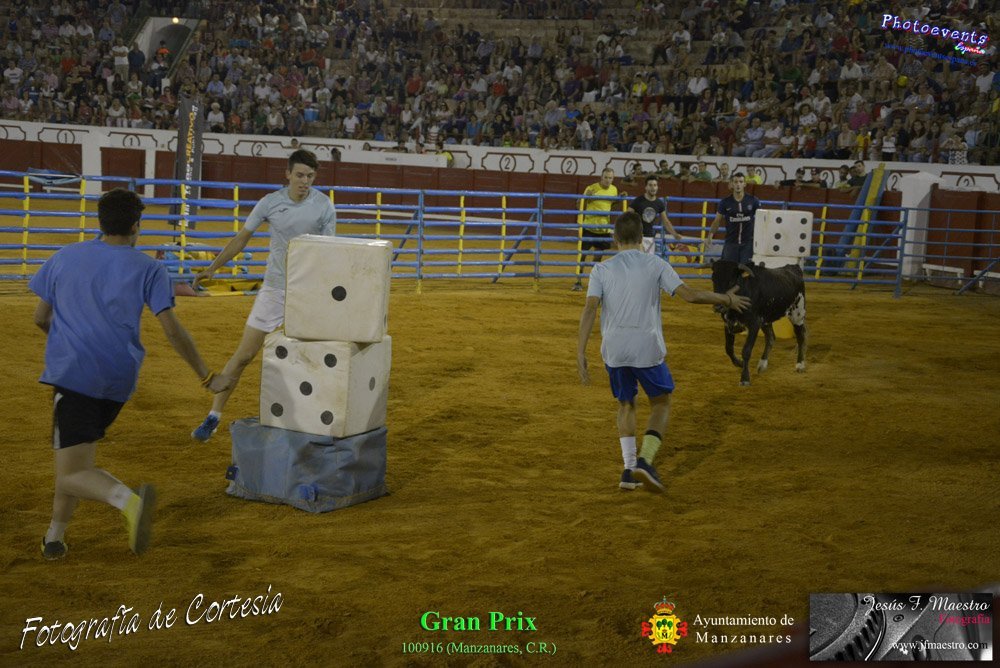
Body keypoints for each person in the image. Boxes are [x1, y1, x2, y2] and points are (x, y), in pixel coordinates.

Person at [29, 189, 231, 559]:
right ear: (136, 226)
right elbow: (173, 330)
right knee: (75, 460)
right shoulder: (149, 268)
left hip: (75, 375)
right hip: (118, 380)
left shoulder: (65, 257)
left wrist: (66, 340)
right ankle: (54, 537)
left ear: (100, 221)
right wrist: (206, 376)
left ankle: (129, 501)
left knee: (71, 472)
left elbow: (41, 317)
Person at [577, 211, 750, 493]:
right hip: (646, 347)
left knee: (626, 404)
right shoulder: (656, 264)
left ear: (615, 238)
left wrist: (580, 352)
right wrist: (727, 298)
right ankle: (645, 461)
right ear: (641, 238)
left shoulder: (601, 270)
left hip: (614, 349)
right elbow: (690, 295)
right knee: (661, 403)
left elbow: (589, 309)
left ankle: (628, 470)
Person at [190, 149, 337, 441]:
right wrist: (213, 267)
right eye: (299, 175)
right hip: (274, 289)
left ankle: (318, 420)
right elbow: (241, 238)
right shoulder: (270, 203)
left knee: (313, 358)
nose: (304, 181)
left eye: (310, 176)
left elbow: (328, 251)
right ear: (288, 174)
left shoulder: (324, 206)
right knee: (244, 355)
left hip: (308, 293)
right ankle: (213, 416)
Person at [573, 167, 621, 291]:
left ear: (613, 179)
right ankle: (578, 281)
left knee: (598, 257)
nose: (608, 180)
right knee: (582, 255)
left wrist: (619, 199)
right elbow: (578, 205)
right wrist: (586, 198)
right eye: (606, 177)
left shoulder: (614, 189)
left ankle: (593, 282)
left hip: (603, 229)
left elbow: (611, 204)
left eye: (610, 178)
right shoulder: (591, 188)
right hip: (589, 227)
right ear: (601, 177)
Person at [703, 172, 763, 264]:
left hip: (747, 243)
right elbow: (717, 221)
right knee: (728, 269)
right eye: (735, 182)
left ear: (744, 184)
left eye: (740, 182)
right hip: (730, 243)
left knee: (746, 269)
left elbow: (762, 219)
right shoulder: (725, 202)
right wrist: (710, 235)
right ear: (732, 184)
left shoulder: (753, 200)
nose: (738, 184)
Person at [628, 175, 687, 255]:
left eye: (655, 185)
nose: (653, 188)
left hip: (650, 238)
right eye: (650, 185)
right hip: (637, 238)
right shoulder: (638, 201)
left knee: (648, 262)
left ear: (657, 187)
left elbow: (666, 222)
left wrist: (675, 234)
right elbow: (627, 217)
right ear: (646, 187)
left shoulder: (659, 203)